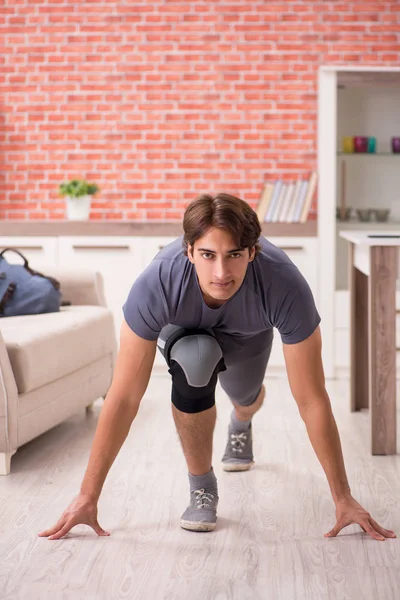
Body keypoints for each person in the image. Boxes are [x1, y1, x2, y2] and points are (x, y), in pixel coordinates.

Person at [39, 193, 396, 541]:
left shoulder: (284, 284)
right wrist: (87, 495)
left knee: (245, 396)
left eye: (234, 255)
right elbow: (125, 396)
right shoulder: (158, 283)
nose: (221, 272)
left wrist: (342, 497)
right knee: (195, 359)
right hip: (185, 329)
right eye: (208, 255)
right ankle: (202, 488)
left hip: (248, 335)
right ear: (189, 251)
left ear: (252, 253)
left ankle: (242, 419)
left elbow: (312, 399)